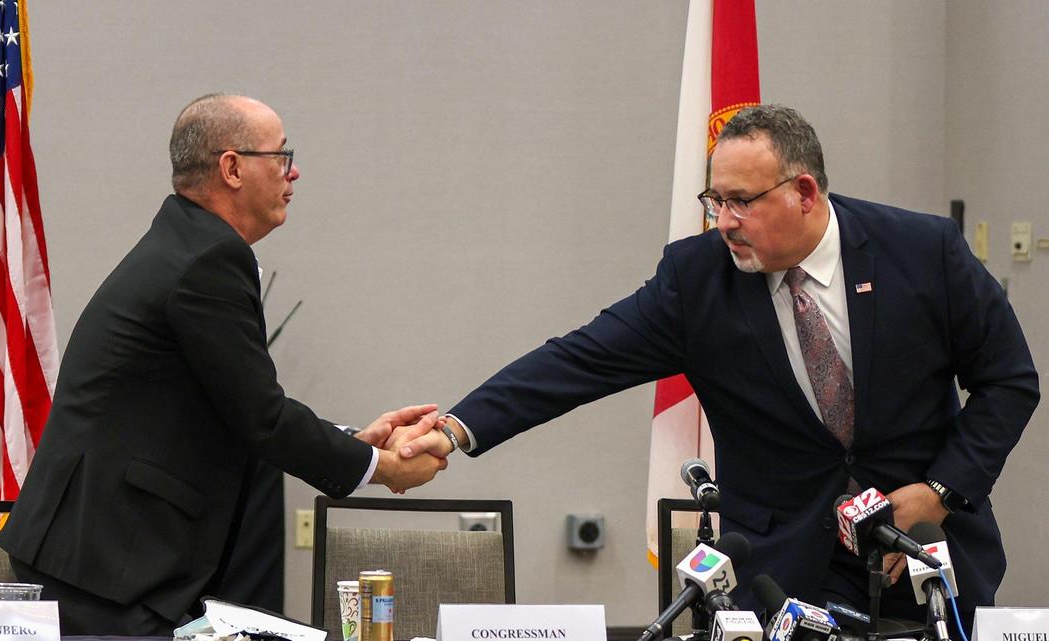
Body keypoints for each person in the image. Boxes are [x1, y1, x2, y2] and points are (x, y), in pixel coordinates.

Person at [401, 105, 1039, 624]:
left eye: (742, 201)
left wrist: (939, 492)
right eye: (716, 200)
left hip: (924, 558)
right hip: (781, 576)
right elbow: (578, 360)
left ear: (805, 193)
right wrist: (455, 429)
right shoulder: (696, 280)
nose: (724, 222)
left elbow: (1009, 380)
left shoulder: (922, 252)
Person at [0, 93, 448, 635]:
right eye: (281, 156)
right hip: (107, 566)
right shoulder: (207, 258)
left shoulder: (187, 244)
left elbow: (231, 404)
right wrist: (383, 468)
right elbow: (260, 416)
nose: (294, 171)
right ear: (232, 167)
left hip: (102, 555)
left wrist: (355, 441)